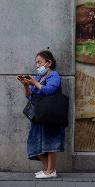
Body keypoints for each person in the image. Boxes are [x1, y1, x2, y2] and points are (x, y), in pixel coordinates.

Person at [16, 50, 65, 179]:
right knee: (34, 142)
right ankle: (46, 169)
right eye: (36, 62)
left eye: (40, 62)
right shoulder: (38, 78)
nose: (37, 65)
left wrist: (34, 83)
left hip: (51, 115)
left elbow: (50, 90)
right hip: (39, 116)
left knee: (50, 142)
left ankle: (51, 170)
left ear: (49, 63)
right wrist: (26, 85)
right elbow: (29, 97)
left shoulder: (54, 76)